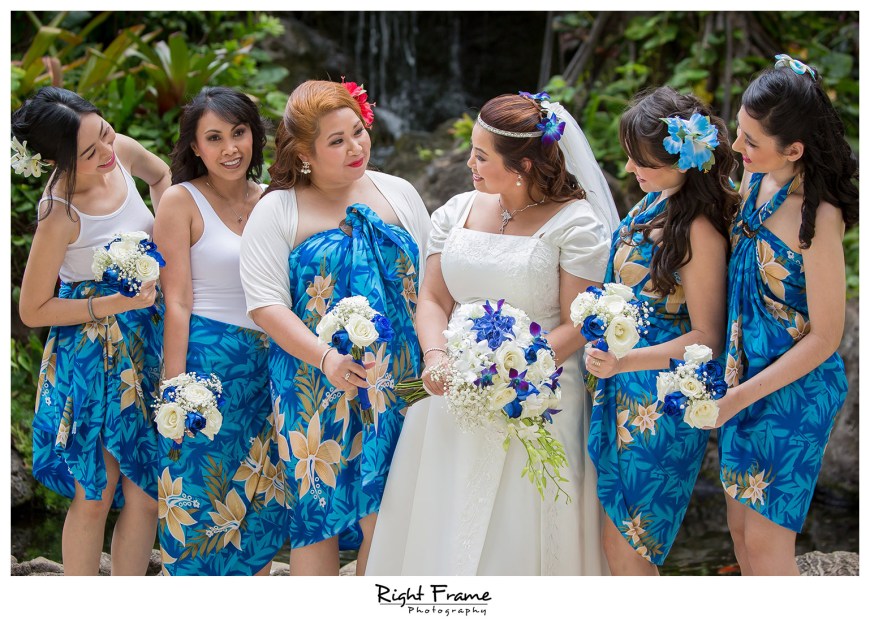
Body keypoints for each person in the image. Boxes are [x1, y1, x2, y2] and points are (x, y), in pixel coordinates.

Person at [366, 91, 619, 576]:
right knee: (440, 522)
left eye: (481, 155)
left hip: (537, 395)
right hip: (451, 392)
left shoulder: (577, 225)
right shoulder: (456, 211)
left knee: (517, 531)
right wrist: (437, 358)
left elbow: (579, 322)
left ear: (523, 165)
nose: (470, 163)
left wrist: (514, 371)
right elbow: (432, 299)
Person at [239, 79, 431, 575]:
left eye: (358, 132)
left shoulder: (399, 192)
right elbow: (265, 306)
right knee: (318, 513)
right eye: (337, 141)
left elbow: (433, 281)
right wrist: (325, 358)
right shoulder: (278, 209)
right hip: (313, 380)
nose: (356, 147)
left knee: (391, 510)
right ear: (304, 153)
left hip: (400, 378)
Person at [707, 55, 858, 575]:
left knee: (767, 547)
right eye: (740, 131)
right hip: (742, 377)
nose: (737, 147)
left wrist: (738, 397)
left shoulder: (819, 215)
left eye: (751, 140)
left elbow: (827, 337)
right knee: (740, 536)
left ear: (794, 149)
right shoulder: (756, 180)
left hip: (794, 390)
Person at [584, 87, 740, 574]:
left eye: (642, 161)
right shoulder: (653, 203)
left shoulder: (698, 229)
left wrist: (624, 361)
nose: (630, 168)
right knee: (614, 545)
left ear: (683, 161)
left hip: (660, 402)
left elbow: (708, 337)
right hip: (620, 387)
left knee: (630, 548)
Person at [14, 86, 170, 575]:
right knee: (96, 489)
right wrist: (111, 303)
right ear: (56, 161)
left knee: (146, 490)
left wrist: (169, 248)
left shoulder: (119, 150)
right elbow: (33, 309)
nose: (106, 151)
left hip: (148, 336)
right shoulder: (59, 212)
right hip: (93, 352)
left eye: (104, 132)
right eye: (88, 152)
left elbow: (162, 176)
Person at [152, 86, 286, 575]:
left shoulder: (275, 198)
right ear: (195, 146)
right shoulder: (180, 201)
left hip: (271, 365)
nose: (230, 148)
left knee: (261, 497)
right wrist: (174, 387)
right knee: (198, 490)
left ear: (254, 135)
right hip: (206, 366)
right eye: (214, 137)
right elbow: (177, 300)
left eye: (239, 133)